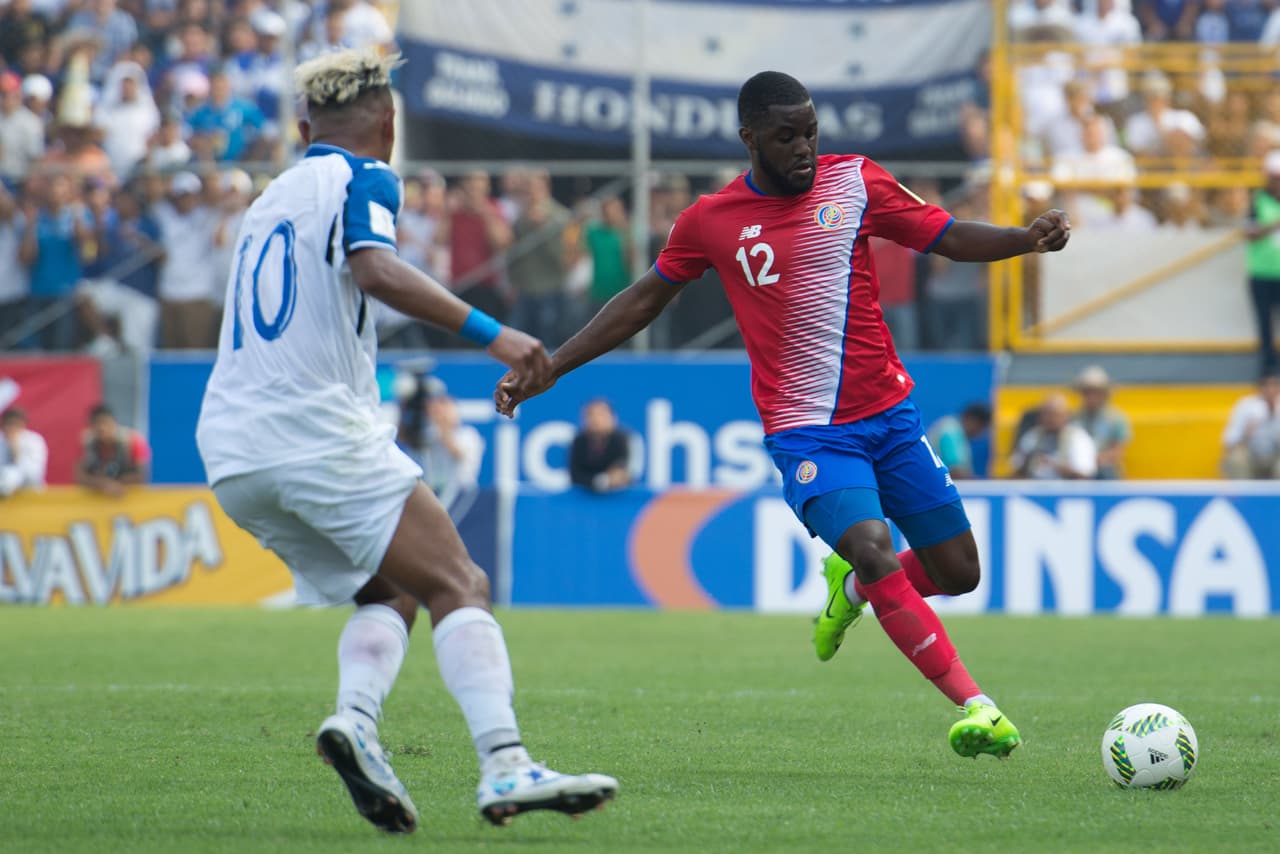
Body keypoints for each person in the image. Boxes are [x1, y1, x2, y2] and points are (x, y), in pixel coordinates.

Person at [498, 70, 1071, 759]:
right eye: (785, 136)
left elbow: (943, 236)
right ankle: (977, 706)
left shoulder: (855, 182)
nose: (803, 148)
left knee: (958, 572)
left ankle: (854, 590)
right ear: (749, 139)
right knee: (872, 542)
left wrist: (1024, 239)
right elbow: (644, 300)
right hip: (808, 431)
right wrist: (552, 367)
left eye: (810, 133)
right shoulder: (710, 220)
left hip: (890, 416)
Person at [194, 49, 616, 835]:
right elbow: (376, 268)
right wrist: (494, 333)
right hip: (313, 430)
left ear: (300, 128)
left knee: (392, 588)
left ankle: (355, 720)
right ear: (389, 127)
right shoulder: (367, 176)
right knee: (461, 581)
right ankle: (505, 764)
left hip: (231, 447)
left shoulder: (268, 198)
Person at [1245, 150, 1280, 374]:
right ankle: (1268, 371)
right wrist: (1274, 225)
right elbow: (1249, 232)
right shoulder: (1257, 201)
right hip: (1262, 273)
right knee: (1265, 327)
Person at [1010, 393, 1097, 479]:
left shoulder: (1078, 438)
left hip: (1069, 490)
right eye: (1046, 414)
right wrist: (1030, 460)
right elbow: (1017, 469)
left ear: (1066, 415)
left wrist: (1053, 465)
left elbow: (1085, 474)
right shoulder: (1033, 436)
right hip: (1036, 488)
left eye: (1054, 414)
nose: (1050, 418)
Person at [76, 403, 151, 496]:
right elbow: (80, 476)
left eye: (105, 422)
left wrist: (117, 484)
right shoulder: (87, 443)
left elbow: (142, 475)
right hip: (99, 500)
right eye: (96, 424)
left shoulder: (134, 442)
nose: (101, 428)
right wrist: (104, 484)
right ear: (91, 427)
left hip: (128, 498)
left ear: (114, 423)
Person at [1073, 365, 1132, 479]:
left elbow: (1117, 451)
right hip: (1077, 467)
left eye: (1095, 392)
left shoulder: (1116, 418)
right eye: (1087, 392)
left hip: (1104, 466)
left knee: (1106, 471)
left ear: (1104, 394)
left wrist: (1095, 460)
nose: (1091, 396)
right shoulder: (1074, 418)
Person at [1221, 370, 1280, 479]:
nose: (1270, 390)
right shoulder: (1245, 405)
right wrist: (1246, 433)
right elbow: (1229, 441)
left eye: (1275, 385)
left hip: (1276, 456)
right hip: (1251, 455)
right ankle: (1243, 495)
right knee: (1236, 460)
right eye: (1266, 385)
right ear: (1259, 388)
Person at [569, 398, 632, 492]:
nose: (595, 420)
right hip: (585, 500)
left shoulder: (622, 440)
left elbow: (623, 472)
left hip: (618, 499)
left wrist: (616, 477)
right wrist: (602, 481)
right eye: (591, 415)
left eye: (601, 415)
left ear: (612, 417)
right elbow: (575, 475)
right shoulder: (579, 442)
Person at [927, 402, 992, 480]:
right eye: (981, 427)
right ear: (971, 419)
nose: (981, 433)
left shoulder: (955, 430)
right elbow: (955, 472)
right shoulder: (950, 431)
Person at [0, 407, 48, 497]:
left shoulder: (34, 441)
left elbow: (34, 475)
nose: (11, 428)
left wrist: (16, 450)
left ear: (23, 425)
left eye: (15, 424)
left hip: (30, 495)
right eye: (8, 424)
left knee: (12, 473)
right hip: (3, 499)